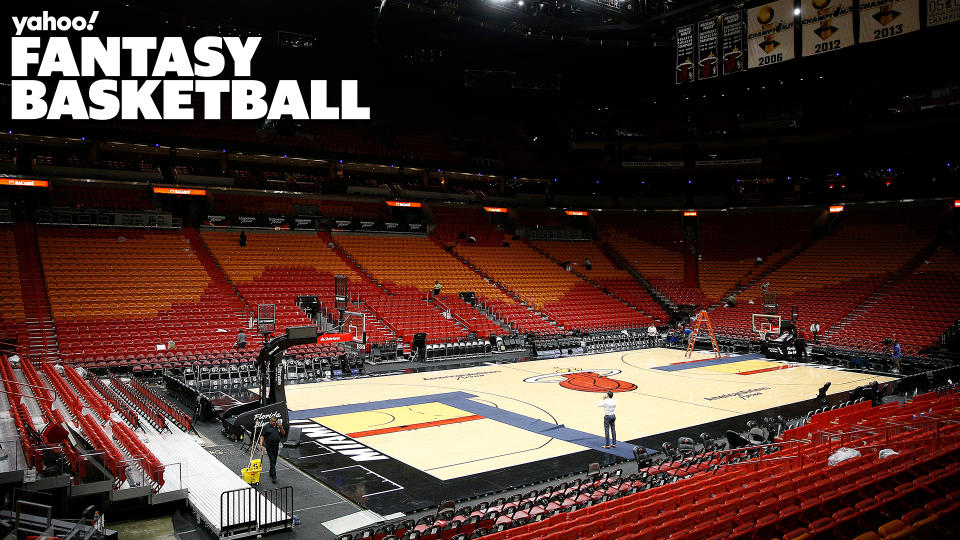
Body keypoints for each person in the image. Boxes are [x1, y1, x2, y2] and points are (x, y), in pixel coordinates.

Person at [259, 416, 285, 483]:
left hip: (276, 447)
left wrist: (281, 427)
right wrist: (261, 445)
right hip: (269, 447)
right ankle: (274, 476)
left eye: (274, 421)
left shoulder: (278, 427)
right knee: (272, 461)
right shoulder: (266, 427)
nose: (273, 423)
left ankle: (271, 472)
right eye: (272, 421)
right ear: (270, 421)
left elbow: (283, 433)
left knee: (274, 461)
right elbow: (262, 436)